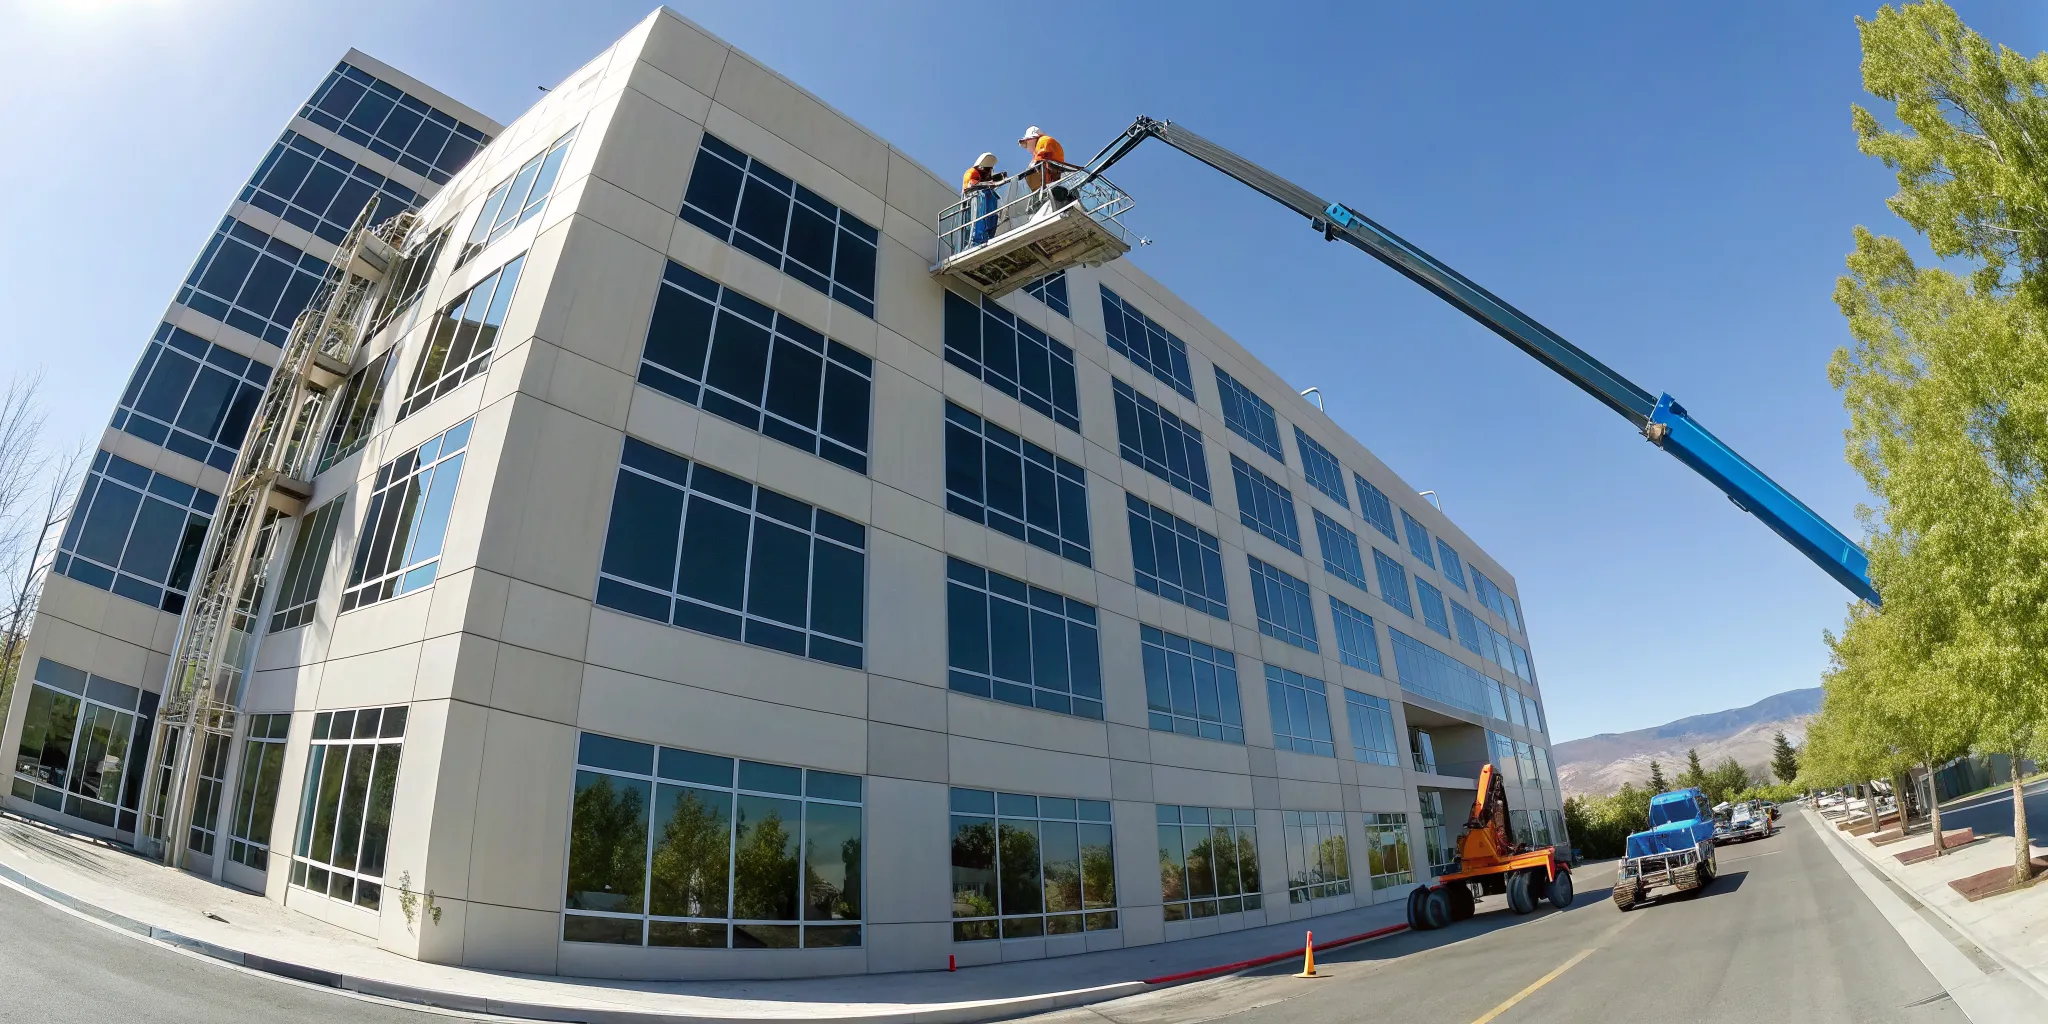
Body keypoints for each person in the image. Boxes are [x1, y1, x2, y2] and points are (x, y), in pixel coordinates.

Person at [961, 152, 1006, 246]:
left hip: (984, 205)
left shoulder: (985, 185)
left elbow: (986, 182)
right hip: (974, 205)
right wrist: (990, 183)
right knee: (979, 224)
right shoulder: (971, 172)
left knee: (991, 218)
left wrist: (996, 180)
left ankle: (988, 237)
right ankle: (976, 241)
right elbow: (972, 185)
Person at [1017, 126, 1066, 191]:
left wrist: (1022, 175)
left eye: (1026, 144)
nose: (1027, 148)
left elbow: (1037, 162)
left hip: (1051, 179)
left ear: (1031, 139)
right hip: (1054, 177)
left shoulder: (1043, 140)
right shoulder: (1044, 142)